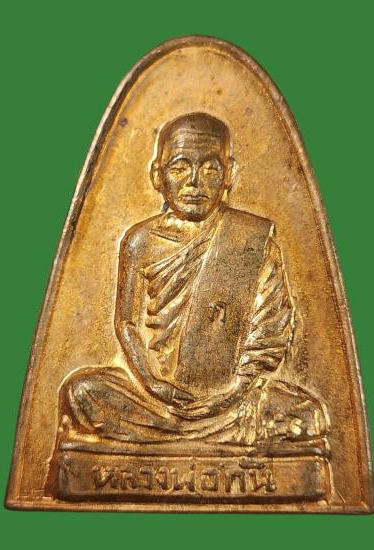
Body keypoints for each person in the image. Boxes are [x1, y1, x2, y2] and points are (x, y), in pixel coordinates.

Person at [56, 112, 327, 446]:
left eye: (210, 168)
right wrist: (154, 384)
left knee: (308, 413)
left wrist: (233, 392)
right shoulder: (141, 241)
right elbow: (127, 324)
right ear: (158, 175)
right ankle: (202, 434)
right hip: (155, 396)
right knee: (82, 393)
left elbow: (271, 329)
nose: (195, 182)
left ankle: (173, 436)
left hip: (234, 397)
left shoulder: (252, 239)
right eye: (180, 167)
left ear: (230, 174)